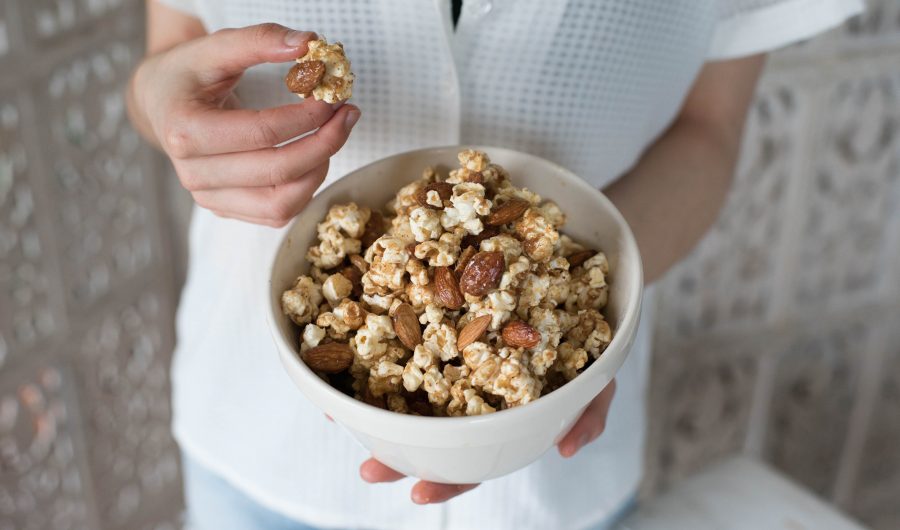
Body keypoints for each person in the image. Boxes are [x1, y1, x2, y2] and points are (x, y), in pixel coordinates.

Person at [126, 1, 863, 529]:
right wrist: (157, 104)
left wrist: (591, 307)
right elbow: (171, 46)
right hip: (257, 446)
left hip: (552, 477)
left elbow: (710, 127)